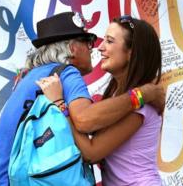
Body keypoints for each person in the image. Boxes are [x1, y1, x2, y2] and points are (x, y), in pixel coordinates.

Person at [0, 12, 165, 186]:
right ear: (72, 48)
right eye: (88, 42)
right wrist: (144, 93)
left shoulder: (27, 77)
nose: (96, 47)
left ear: (132, 53)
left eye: (109, 41)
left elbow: (91, 146)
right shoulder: (66, 72)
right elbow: (85, 121)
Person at [38, 15, 163, 185]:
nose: (100, 48)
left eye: (110, 41)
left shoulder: (140, 105)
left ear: (131, 52)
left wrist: (59, 104)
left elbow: (91, 152)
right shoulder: (121, 97)